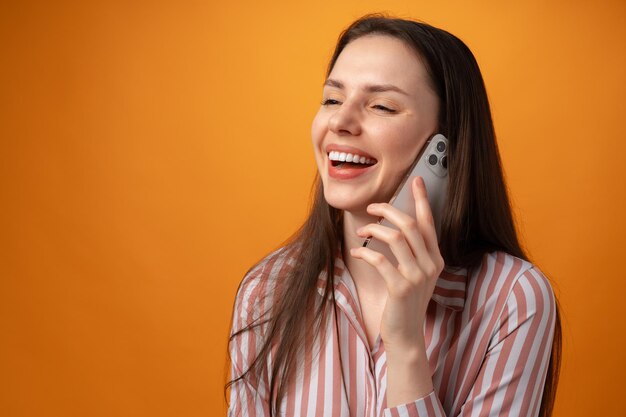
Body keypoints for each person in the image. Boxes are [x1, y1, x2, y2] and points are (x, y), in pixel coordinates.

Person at [226, 14, 561, 417]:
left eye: (382, 106)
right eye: (332, 99)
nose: (340, 122)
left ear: (446, 144)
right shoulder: (266, 291)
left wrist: (405, 346)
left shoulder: (513, 298)